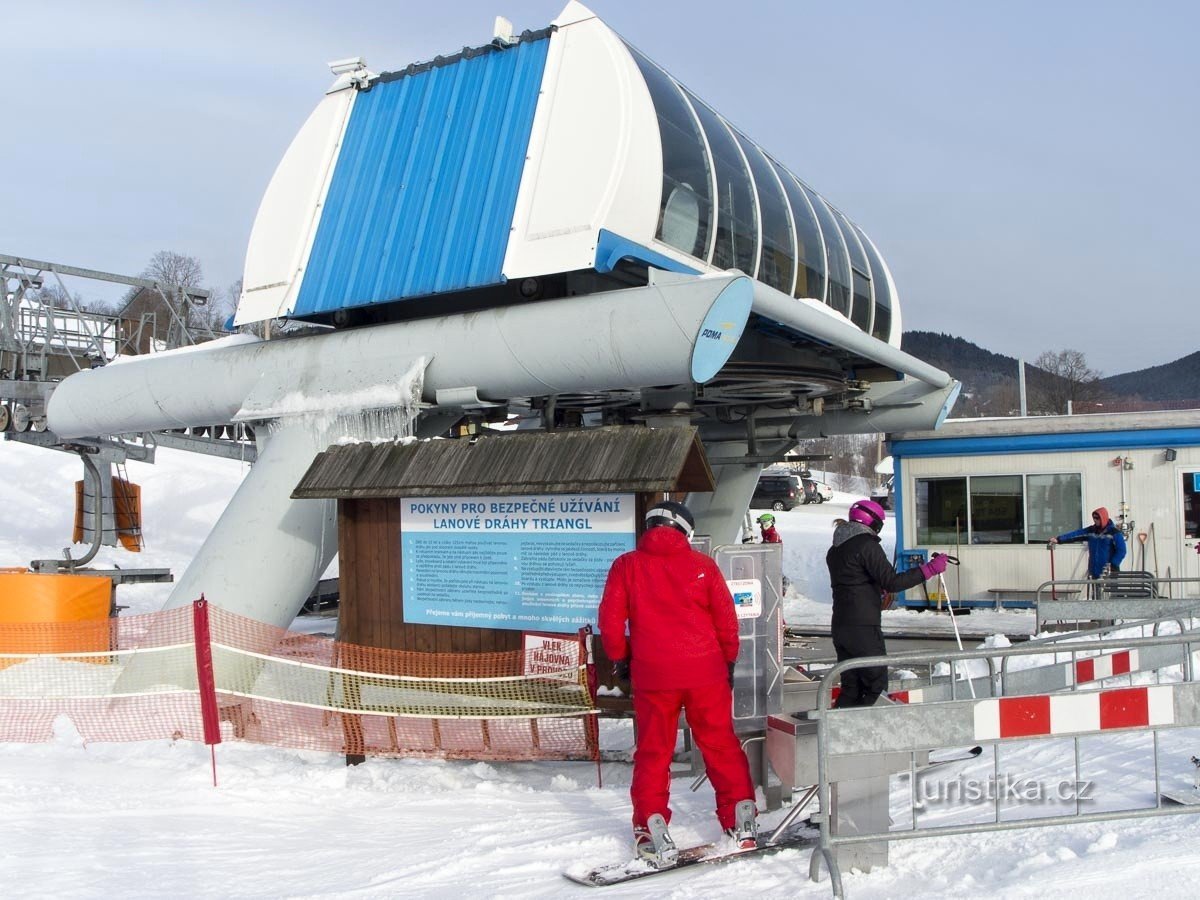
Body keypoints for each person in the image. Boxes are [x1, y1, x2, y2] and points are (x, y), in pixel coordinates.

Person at [598, 499, 757, 867]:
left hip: (655, 675)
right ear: (685, 530)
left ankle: (650, 827)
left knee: (654, 752)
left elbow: (610, 621)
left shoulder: (626, 566)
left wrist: (621, 659)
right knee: (720, 743)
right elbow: (726, 621)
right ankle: (740, 819)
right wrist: (728, 660)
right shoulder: (703, 566)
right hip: (706, 672)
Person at [827, 499, 949, 708]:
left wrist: (875, 589)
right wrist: (929, 569)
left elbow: (853, 581)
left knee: (852, 686)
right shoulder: (867, 545)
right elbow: (892, 582)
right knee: (875, 686)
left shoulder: (836, 549)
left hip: (841, 625)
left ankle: (840, 732)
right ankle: (871, 733)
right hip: (864, 626)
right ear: (873, 523)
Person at [1049, 507, 1127, 582]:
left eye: (1097, 518)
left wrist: (1113, 565)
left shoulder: (1114, 532)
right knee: (1096, 595)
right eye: (1094, 518)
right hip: (1095, 572)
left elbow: (1121, 551)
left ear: (1103, 518)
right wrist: (1059, 539)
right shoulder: (1091, 531)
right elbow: (1076, 534)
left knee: (1110, 595)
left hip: (1109, 573)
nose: (1095, 520)